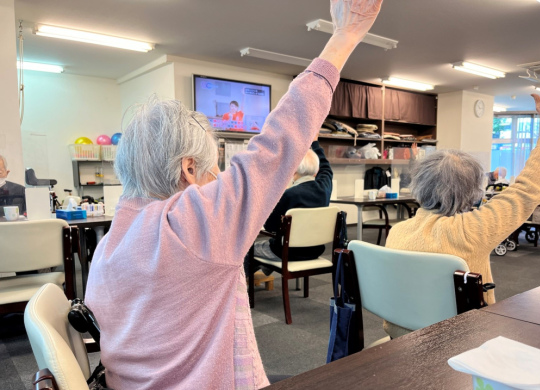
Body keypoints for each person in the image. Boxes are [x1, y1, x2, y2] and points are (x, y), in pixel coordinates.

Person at [84, 1, 383, 389]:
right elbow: (281, 138)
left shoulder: (106, 247)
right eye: (216, 169)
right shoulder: (193, 221)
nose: (221, 178)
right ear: (189, 170)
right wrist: (346, 35)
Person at [383, 68, 540, 339]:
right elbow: (529, 189)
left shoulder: (397, 231)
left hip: (400, 340)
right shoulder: (473, 230)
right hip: (462, 340)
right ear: (471, 192)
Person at [248, 136, 333, 274]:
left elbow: (270, 227)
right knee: (271, 247)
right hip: (315, 251)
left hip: (288, 253)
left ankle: (239, 289)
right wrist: (315, 142)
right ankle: (263, 273)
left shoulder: (288, 195)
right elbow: (327, 169)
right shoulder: (325, 188)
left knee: (248, 250)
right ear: (316, 171)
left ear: (293, 171)